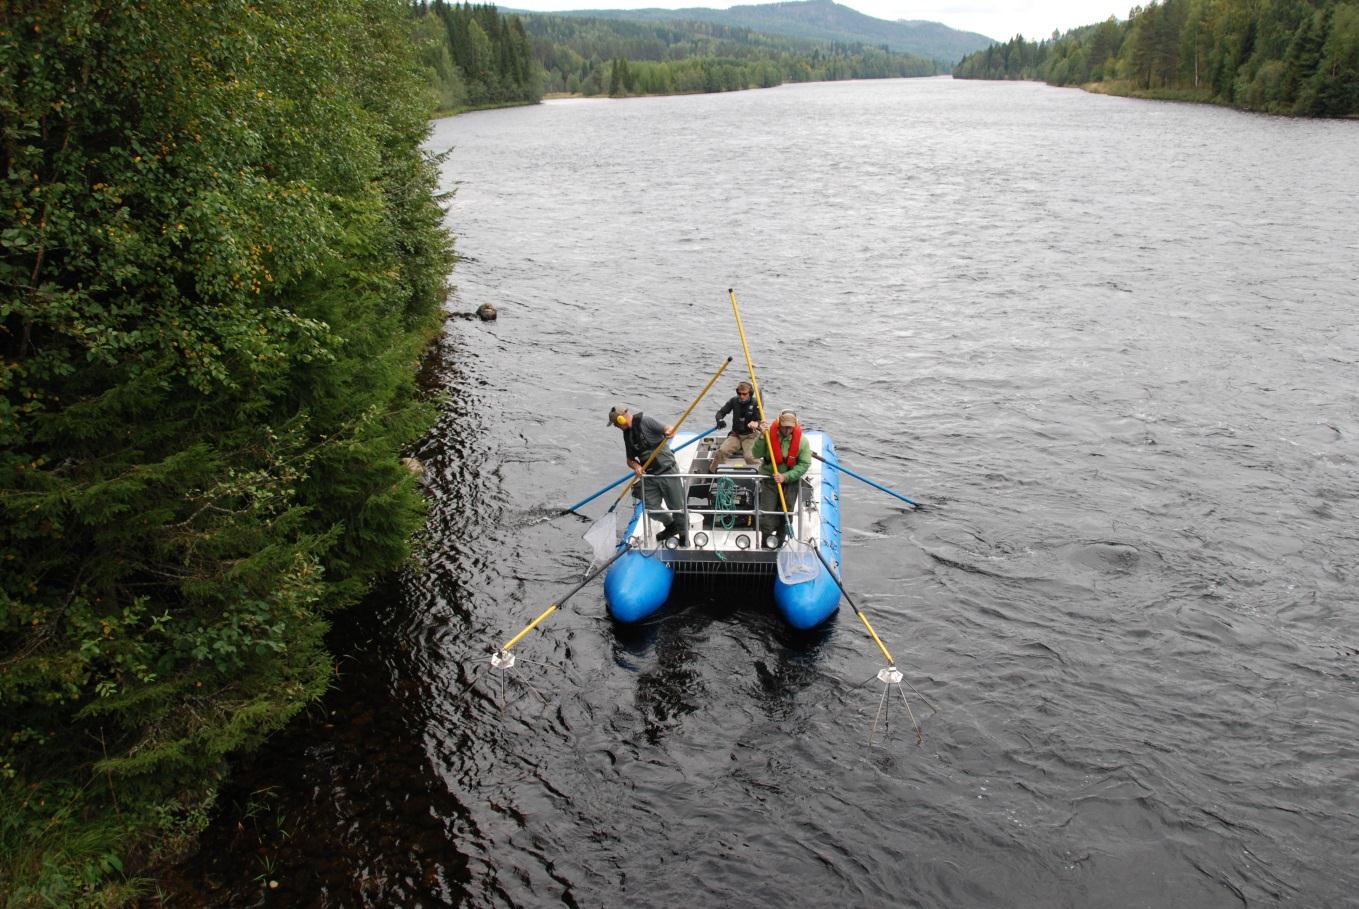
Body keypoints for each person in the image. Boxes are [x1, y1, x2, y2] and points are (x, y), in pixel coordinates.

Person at [608, 405, 687, 545]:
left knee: (677, 506)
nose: (615, 426)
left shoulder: (646, 421)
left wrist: (670, 431)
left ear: (621, 419)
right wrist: (636, 466)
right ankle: (670, 525)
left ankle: (683, 537)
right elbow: (629, 460)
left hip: (668, 472)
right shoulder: (627, 435)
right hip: (650, 476)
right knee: (651, 508)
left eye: (615, 424)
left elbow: (668, 429)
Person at [751, 409, 811, 547]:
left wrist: (786, 477)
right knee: (767, 514)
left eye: (790, 427)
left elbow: (804, 464)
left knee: (786, 513)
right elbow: (755, 453)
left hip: (790, 483)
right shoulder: (768, 435)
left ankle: (781, 541)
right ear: (779, 424)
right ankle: (766, 542)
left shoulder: (802, 442)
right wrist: (761, 436)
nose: (787, 430)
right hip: (770, 481)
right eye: (785, 427)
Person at [710, 380, 762, 471]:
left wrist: (756, 423)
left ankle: (761, 475)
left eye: (744, 394)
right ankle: (712, 473)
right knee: (721, 451)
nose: (741, 396)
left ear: (750, 393)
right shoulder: (733, 401)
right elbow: (720, 412)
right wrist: (720, 420)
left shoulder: (755, 404)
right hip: (736, 435)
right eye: (739, 393)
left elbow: (760, 420)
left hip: (750, 436)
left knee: (750, 457)